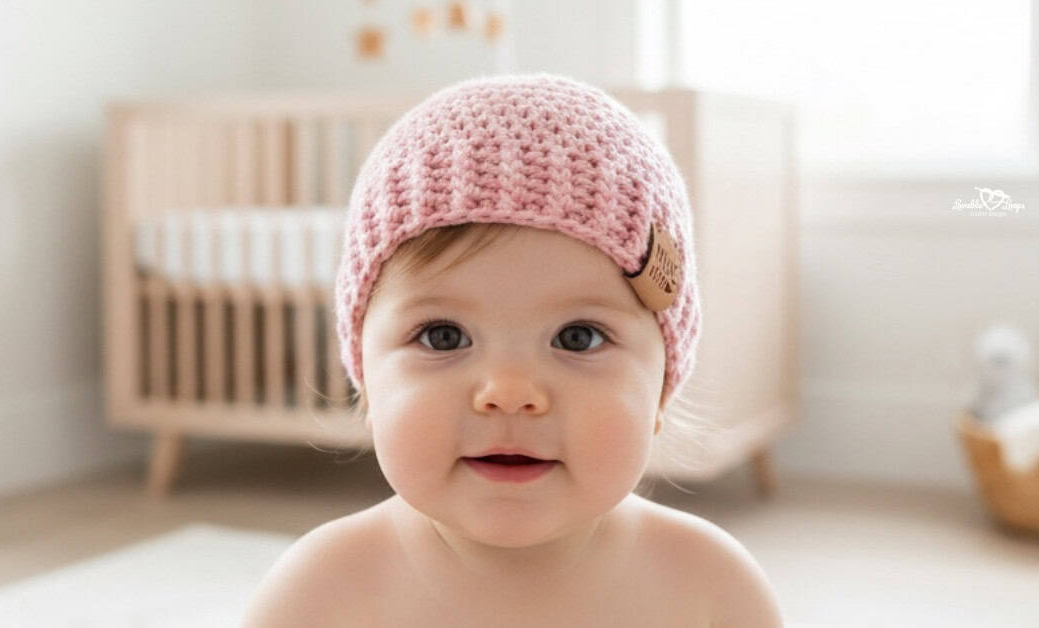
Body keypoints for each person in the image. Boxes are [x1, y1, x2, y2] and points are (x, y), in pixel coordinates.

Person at [242, 72, 784, 627]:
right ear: (366, 378)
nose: (509, 392)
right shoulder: (319, 593)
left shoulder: (710, 588)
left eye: (579, 337)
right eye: (442, 336)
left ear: (663, 386)